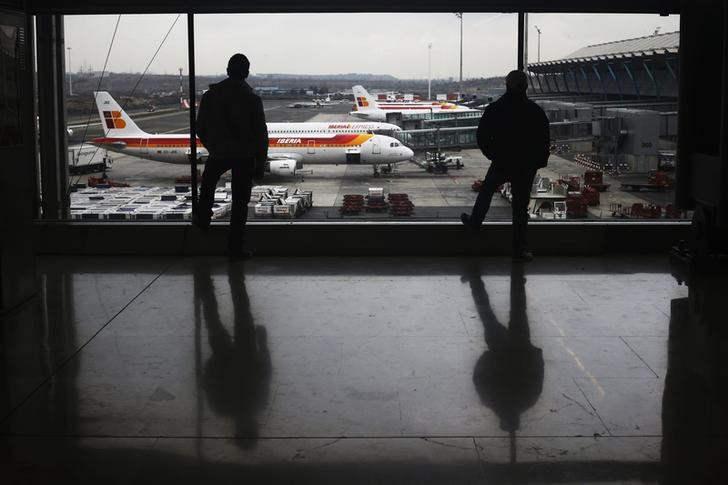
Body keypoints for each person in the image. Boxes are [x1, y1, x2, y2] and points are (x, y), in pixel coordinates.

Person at [461, 70, 550, 261]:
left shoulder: (495, 109)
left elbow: (482, 137)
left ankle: (475, 223)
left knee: (486, 192)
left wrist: (493, 155)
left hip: (502, 161)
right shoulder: (535, 111)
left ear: (507, 85)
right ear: (526, 86)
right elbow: (543, 141)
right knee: (520, 210)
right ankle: (518, 250)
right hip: (525, 166)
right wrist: (537, 163)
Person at [194, 53, 268, 259]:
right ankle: (235, 248)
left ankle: (203, 220)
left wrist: (214, 146)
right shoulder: (252, 99)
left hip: (218, 152)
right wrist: (260, 164)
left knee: (208, 186)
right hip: (245, 155)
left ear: (227, 72)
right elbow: (261, 135)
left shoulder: (211, 96)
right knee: (240, 203)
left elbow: (200, 128)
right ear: (246, 73)